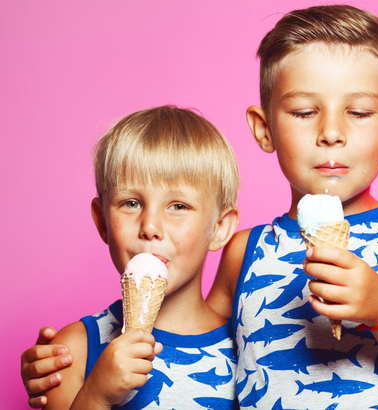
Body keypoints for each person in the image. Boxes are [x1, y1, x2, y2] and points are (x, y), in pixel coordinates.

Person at [22, 5, 378, 409]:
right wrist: (71, 360)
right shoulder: (243, 251)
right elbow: (190, 352)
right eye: (305, 111)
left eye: (359, 111)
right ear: (264, 128)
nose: (331, 132)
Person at [23, 105, 241, 410]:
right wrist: (97, 395)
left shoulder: (248, 345)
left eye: (178, 206)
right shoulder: (74, 350)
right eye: (131, 203)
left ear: (219, 228)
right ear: (102, 222)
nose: (150, 226)